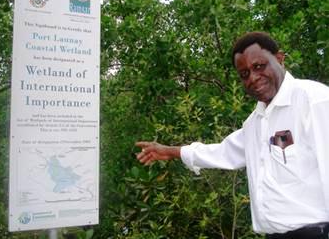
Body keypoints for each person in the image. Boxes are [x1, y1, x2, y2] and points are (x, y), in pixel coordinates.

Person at [136, 31, 329, 239]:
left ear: (280, 59)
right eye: (244, 74)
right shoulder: (256, 122)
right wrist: (170, 151)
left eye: (259, 66)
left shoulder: (314, 101)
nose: (253, 78)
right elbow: (222, 152)